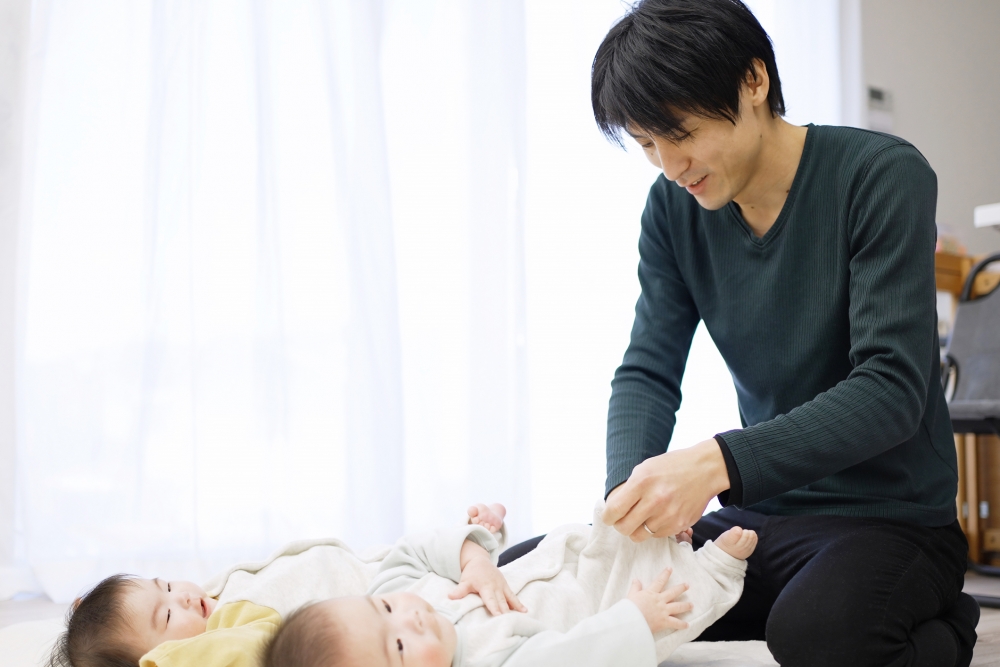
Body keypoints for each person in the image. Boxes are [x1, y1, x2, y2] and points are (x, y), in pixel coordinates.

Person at [577, 0, 978, 666]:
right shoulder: (673, 212)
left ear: (754, 80)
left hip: (893, 518)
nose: (670, 164)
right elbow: (648, 369)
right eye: (647, 144)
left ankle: (945, 624)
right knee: (572, 586)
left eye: (680, 132)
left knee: (818, 632)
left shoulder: (880, 175)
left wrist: (713, 463)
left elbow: (891, 389)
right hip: (762, 519)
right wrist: (632, 496)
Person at [263, 502, 756, 667]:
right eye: (397, 647)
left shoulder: (396, 591)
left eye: (387, 609)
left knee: (606, 531)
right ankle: (714, 570)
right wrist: (634, 622)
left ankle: (664, 534)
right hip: (592, 612)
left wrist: (473, 555)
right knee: (661, 609)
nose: (408, 618)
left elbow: (411, 552)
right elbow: (569, 658)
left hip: (558, 565)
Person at [47, 504, 514, 667]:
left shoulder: (232, 589)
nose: (183, 595)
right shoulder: (246, 641)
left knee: (505, 550)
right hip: (427, 611)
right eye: (168, 615)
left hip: (420, 577)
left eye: (166, 584)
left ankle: (480, 532)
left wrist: (469, 540)